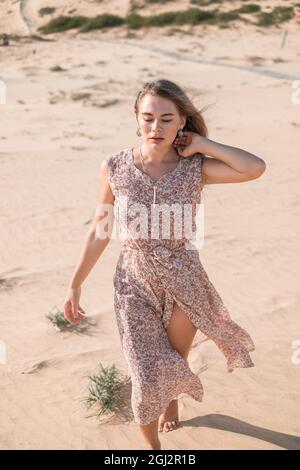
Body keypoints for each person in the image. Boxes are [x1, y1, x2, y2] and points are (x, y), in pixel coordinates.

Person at [64, 79, 266, 450]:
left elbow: (254, 167)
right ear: (137, 120)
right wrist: (76, 283)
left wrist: (202, 144)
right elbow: (101, 227)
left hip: (184, 276)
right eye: (148, 118)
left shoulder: (196, 168)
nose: (155, 127)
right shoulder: (115, 166)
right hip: (133, 278)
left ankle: (171, 400)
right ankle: (154, 451)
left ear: (181, 122)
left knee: (174, 356)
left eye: (166, 119)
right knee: (144, 370)